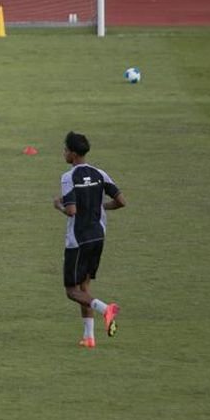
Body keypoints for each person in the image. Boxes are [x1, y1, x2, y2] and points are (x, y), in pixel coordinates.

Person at [53, 131, 126, 348]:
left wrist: (58, 205)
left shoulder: (68, 177)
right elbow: (121, 201)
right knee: (84, 286)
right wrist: (100, 206)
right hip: (98, 235)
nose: (64, 153)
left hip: (78, 239)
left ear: (73, 154)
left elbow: (71, 211)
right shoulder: (100, 173)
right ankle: (89, 337)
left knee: (71, 291)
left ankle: (106, 309)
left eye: (65, 149)